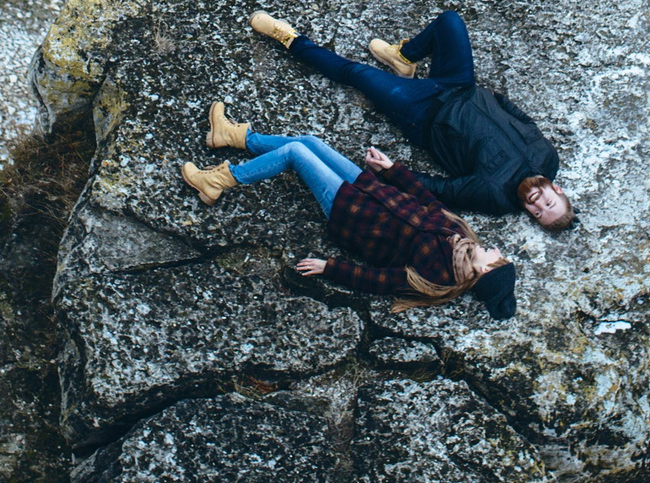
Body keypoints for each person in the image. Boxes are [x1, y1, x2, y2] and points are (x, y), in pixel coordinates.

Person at [178, 101, 519, 320]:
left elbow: (379, 281)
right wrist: (390, 169)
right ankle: (232, 136)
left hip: (350, 210)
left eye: (495, 259)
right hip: (371, 187)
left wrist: (330, 268)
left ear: (482, 273)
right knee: (311, 141)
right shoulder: (464, 238)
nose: (495, 250)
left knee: (296, 153)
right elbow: (427, 201)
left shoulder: (437, 276)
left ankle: (220, 181)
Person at [247, 8, 574, 230]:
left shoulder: (496, 196)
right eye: (548, 203)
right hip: (461, 86)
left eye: (537, 214)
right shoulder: (547, 158)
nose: (537, 205)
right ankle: (403, 57)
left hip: (424, 114)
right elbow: (522, 118)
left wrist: (392, 171)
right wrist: (492, 99)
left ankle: (290, 38)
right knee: (450, 21)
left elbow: (442, 190)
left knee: (357, 74)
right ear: (556, 189)